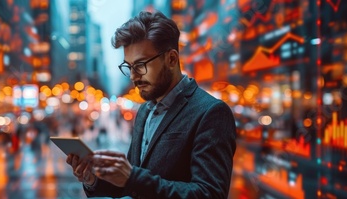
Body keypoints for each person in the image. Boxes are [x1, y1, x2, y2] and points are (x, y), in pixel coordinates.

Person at [66, 11, 236, 198]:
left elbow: (210, 194)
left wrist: (132, 177)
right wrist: (93, 180)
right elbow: (132, 187)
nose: (133, 76)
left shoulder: (212, 113)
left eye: (140, 65)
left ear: (171, 59)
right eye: (129, 67)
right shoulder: (145, 111)